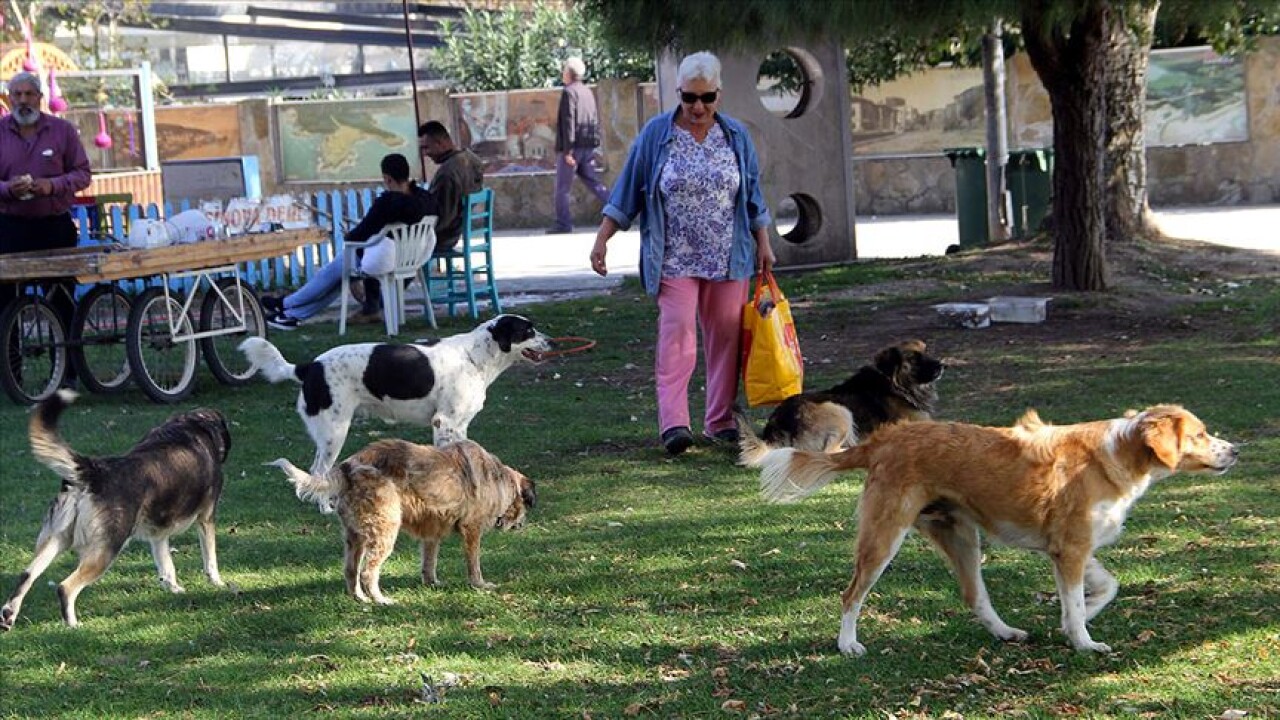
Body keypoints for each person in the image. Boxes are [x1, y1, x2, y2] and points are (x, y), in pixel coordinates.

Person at [588, 51, 775, 456]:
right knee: (678, 336)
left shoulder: (736, 136)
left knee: (725, 338)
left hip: (730, 256)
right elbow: (626, 192)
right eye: (690, 98)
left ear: (718, 95)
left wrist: (764, 243)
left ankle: (721, 421)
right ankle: (674, 423)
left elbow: (753, 197)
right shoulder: (657, 135)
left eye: (707, 98)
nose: (698, 107)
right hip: (673, 257)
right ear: (678, 94)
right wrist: (602, 239)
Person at [261, 153, 429, 330]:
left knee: (333, 271)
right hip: (411, 260)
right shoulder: (425, 200)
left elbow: (360, 233)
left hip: (380, 260)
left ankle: (286, 304)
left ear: (387, 178)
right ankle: (290, 315)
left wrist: (349, 236)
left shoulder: (388, 202)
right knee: (338, 278)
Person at [0, 70, 93, 329]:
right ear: (8, 99)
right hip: (10, 228)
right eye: (17, 94)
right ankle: (11, 368)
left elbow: (83, 174)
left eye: (29, 94)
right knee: (6, 304)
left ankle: (68, 367)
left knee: (62, 301)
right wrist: (9, 189)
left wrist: (51, 185)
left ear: (40, 98)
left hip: (55, 227)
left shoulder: (62, 131)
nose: (23, 100)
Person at [546, 56, 609, 234]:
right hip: (587, 147)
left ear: (569, 73)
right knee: (594, 183)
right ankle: (618, 208)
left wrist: (568, 151)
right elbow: (592, 119)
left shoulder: (569, 92)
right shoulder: (587, 92)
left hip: (572, 149)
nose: (562, 73)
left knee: (562, 188)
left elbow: (568, 122)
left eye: (564, 70)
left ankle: (563, 223)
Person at [416, 120, 485, 253]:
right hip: (457, 229)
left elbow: (443, 219)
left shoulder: (447, 174)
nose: (425, 154)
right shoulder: (472, 160)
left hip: (444, 237)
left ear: (441, 143)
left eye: (426, 148)